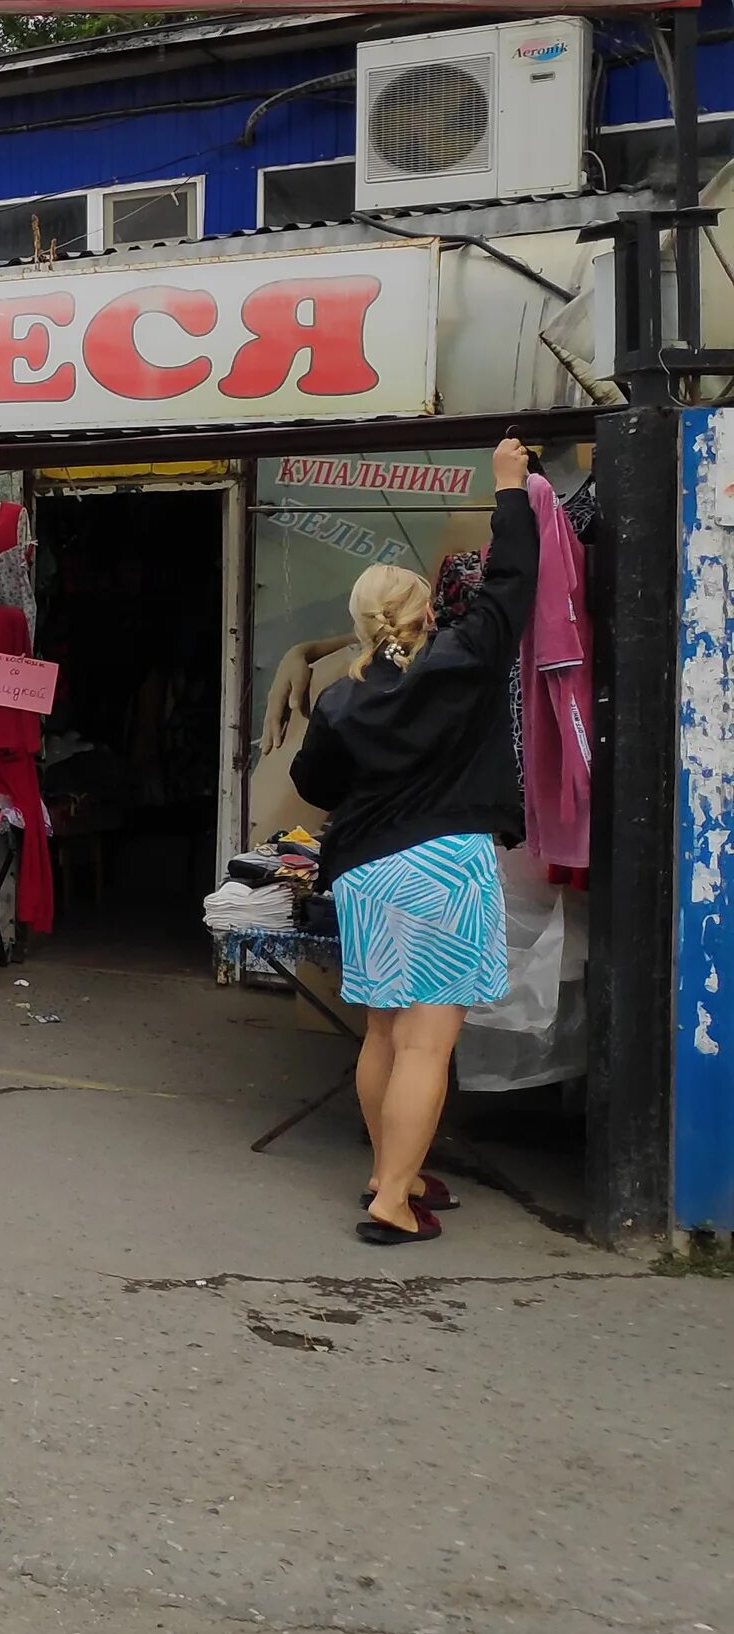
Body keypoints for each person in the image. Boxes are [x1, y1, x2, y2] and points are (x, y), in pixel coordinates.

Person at [290, 438, 538, 1246]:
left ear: (362, 622)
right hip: (445, 868)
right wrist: (509, 488)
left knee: (386, 1032)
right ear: (426, 610)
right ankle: (392, 1202)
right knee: (430, 1043)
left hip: (367, 873)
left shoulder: (339, 701)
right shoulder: (463, 659)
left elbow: (318, 785)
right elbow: (513, 582)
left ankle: (386, 1170)